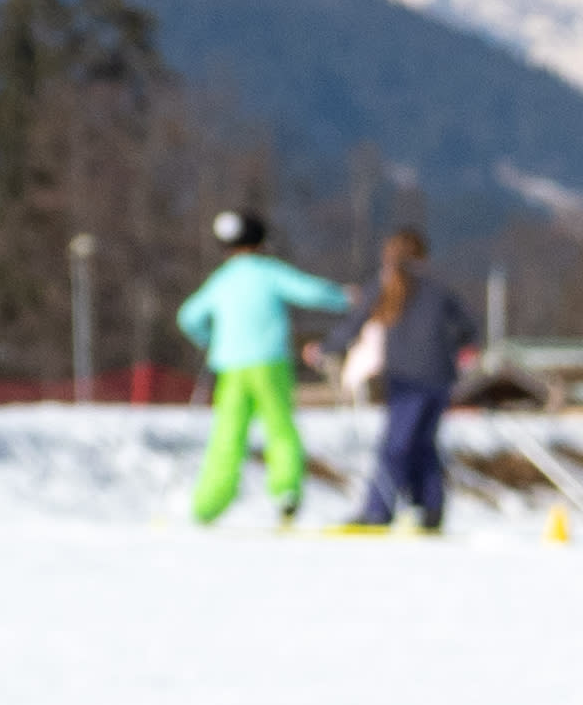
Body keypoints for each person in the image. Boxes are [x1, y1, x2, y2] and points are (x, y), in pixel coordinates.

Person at [178, 208, 351, 529]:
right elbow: (308, 290)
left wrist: (211, 339)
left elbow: (188, 316)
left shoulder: (223, 279)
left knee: (227, 434)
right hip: (269, 363)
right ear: (260, 242)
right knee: (279, 427)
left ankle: (208, 504)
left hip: (229, 367)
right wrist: (344, 298)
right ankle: (286, 492)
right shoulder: (268, 272)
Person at [355, 227, 478, 537]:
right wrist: (460, 349)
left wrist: (324, 349)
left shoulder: (387, 286)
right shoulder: (438, 288)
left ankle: (377, 511)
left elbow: (354, 320)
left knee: (396, 446)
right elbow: (469, 327)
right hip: (439, 380)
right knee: (423, 444)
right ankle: (430, 509)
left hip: (408, 380)